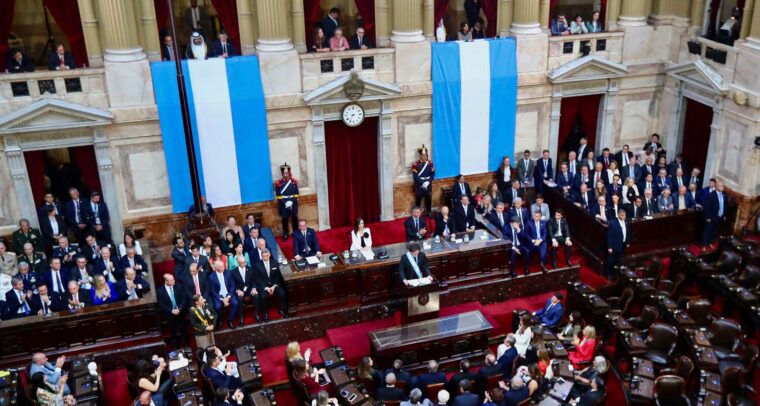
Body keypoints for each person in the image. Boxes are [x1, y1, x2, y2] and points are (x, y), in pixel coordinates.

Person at [253, 248, 288, 319]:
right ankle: (265, 313)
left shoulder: (275, 262)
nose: (265, 257)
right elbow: (258, 279)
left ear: (269, 255)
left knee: (282, 293)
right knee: (263, 297)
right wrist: (266, 288)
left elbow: (278, 276)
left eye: (266, 255)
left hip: (274, 284)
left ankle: (282, 310)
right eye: (263, 256)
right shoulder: (257, 265)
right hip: (264, 285)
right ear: (261, 256)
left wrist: (274, 286)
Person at [156, 273, 189, 348]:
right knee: (172, 331)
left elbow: (184, 299)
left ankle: (185, 345)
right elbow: (161, 304)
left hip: (180, 312)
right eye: (171, 280)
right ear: (166, 282)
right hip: (169, 314)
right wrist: (171, 310)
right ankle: (175, 347)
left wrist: (180, 309)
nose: (174, 281)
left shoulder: (179, 286)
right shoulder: (160, 291)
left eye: (173, 279)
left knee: (183, 330)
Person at [208, 261, 238, 329]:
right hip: (219, 295)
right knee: (217, 306)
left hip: (228, 293)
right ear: (216, 268)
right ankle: (220, 321)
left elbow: (232, 286)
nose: (223, 267)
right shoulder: (211, 277)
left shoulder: (228, 273)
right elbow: (212, 291)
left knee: (235, 303)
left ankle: (230, 320)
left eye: (223, 265)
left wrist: (228, 296)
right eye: (221, 267)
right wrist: (222, 299)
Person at [231, 254, 260, 324]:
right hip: (240, 290)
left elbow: (254, 280)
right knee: (240, 299)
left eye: (245, 262)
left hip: (250, 289)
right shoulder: (233, 272)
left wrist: (254, 288)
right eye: (242, 262)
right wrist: (237, 290)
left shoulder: (250, 269)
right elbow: (233, 284)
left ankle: (256, 314)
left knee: (256, 296)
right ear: (238, 263)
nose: (244, 263)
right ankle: (241, 317)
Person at [276, 163, 300, 241]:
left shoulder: (294, 182)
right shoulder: (278, 183)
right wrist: (285, 202)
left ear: (289, 172)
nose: (285, 174)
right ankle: (286, 233)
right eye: (284, 173)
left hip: (293, 202)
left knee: (294, 218)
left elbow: (296, 194)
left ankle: (296, 232)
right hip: (283, 203)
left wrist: (292, 202)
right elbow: (278, 195)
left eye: (287, 173)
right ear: (282, 173)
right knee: (284, 219)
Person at [702, 182, 729, 251]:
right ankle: (704, 245)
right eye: (720, 186)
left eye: (722, 186)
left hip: (719, 217)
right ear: (716, 187)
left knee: (714, 231)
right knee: (707, 231)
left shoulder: (724, 195)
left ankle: (710, 242)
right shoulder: (711, 195)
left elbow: (725, 205)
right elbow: (707, 207)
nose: (722, 187)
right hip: (711, 217)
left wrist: (724, 215)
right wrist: (707, 217)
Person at [606, 209, 630, 277]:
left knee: (619, 261)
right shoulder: (613, 223)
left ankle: (617, 274)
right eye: (622, 215)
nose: (624, 217)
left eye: (625, 215)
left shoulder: (626, 222)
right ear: (618, 215)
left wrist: (627, 242)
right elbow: (609, 236)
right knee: (611, 261)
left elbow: (627, 232)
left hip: (622, 245)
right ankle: (608, 274)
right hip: (614, 246)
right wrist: (610, 247)